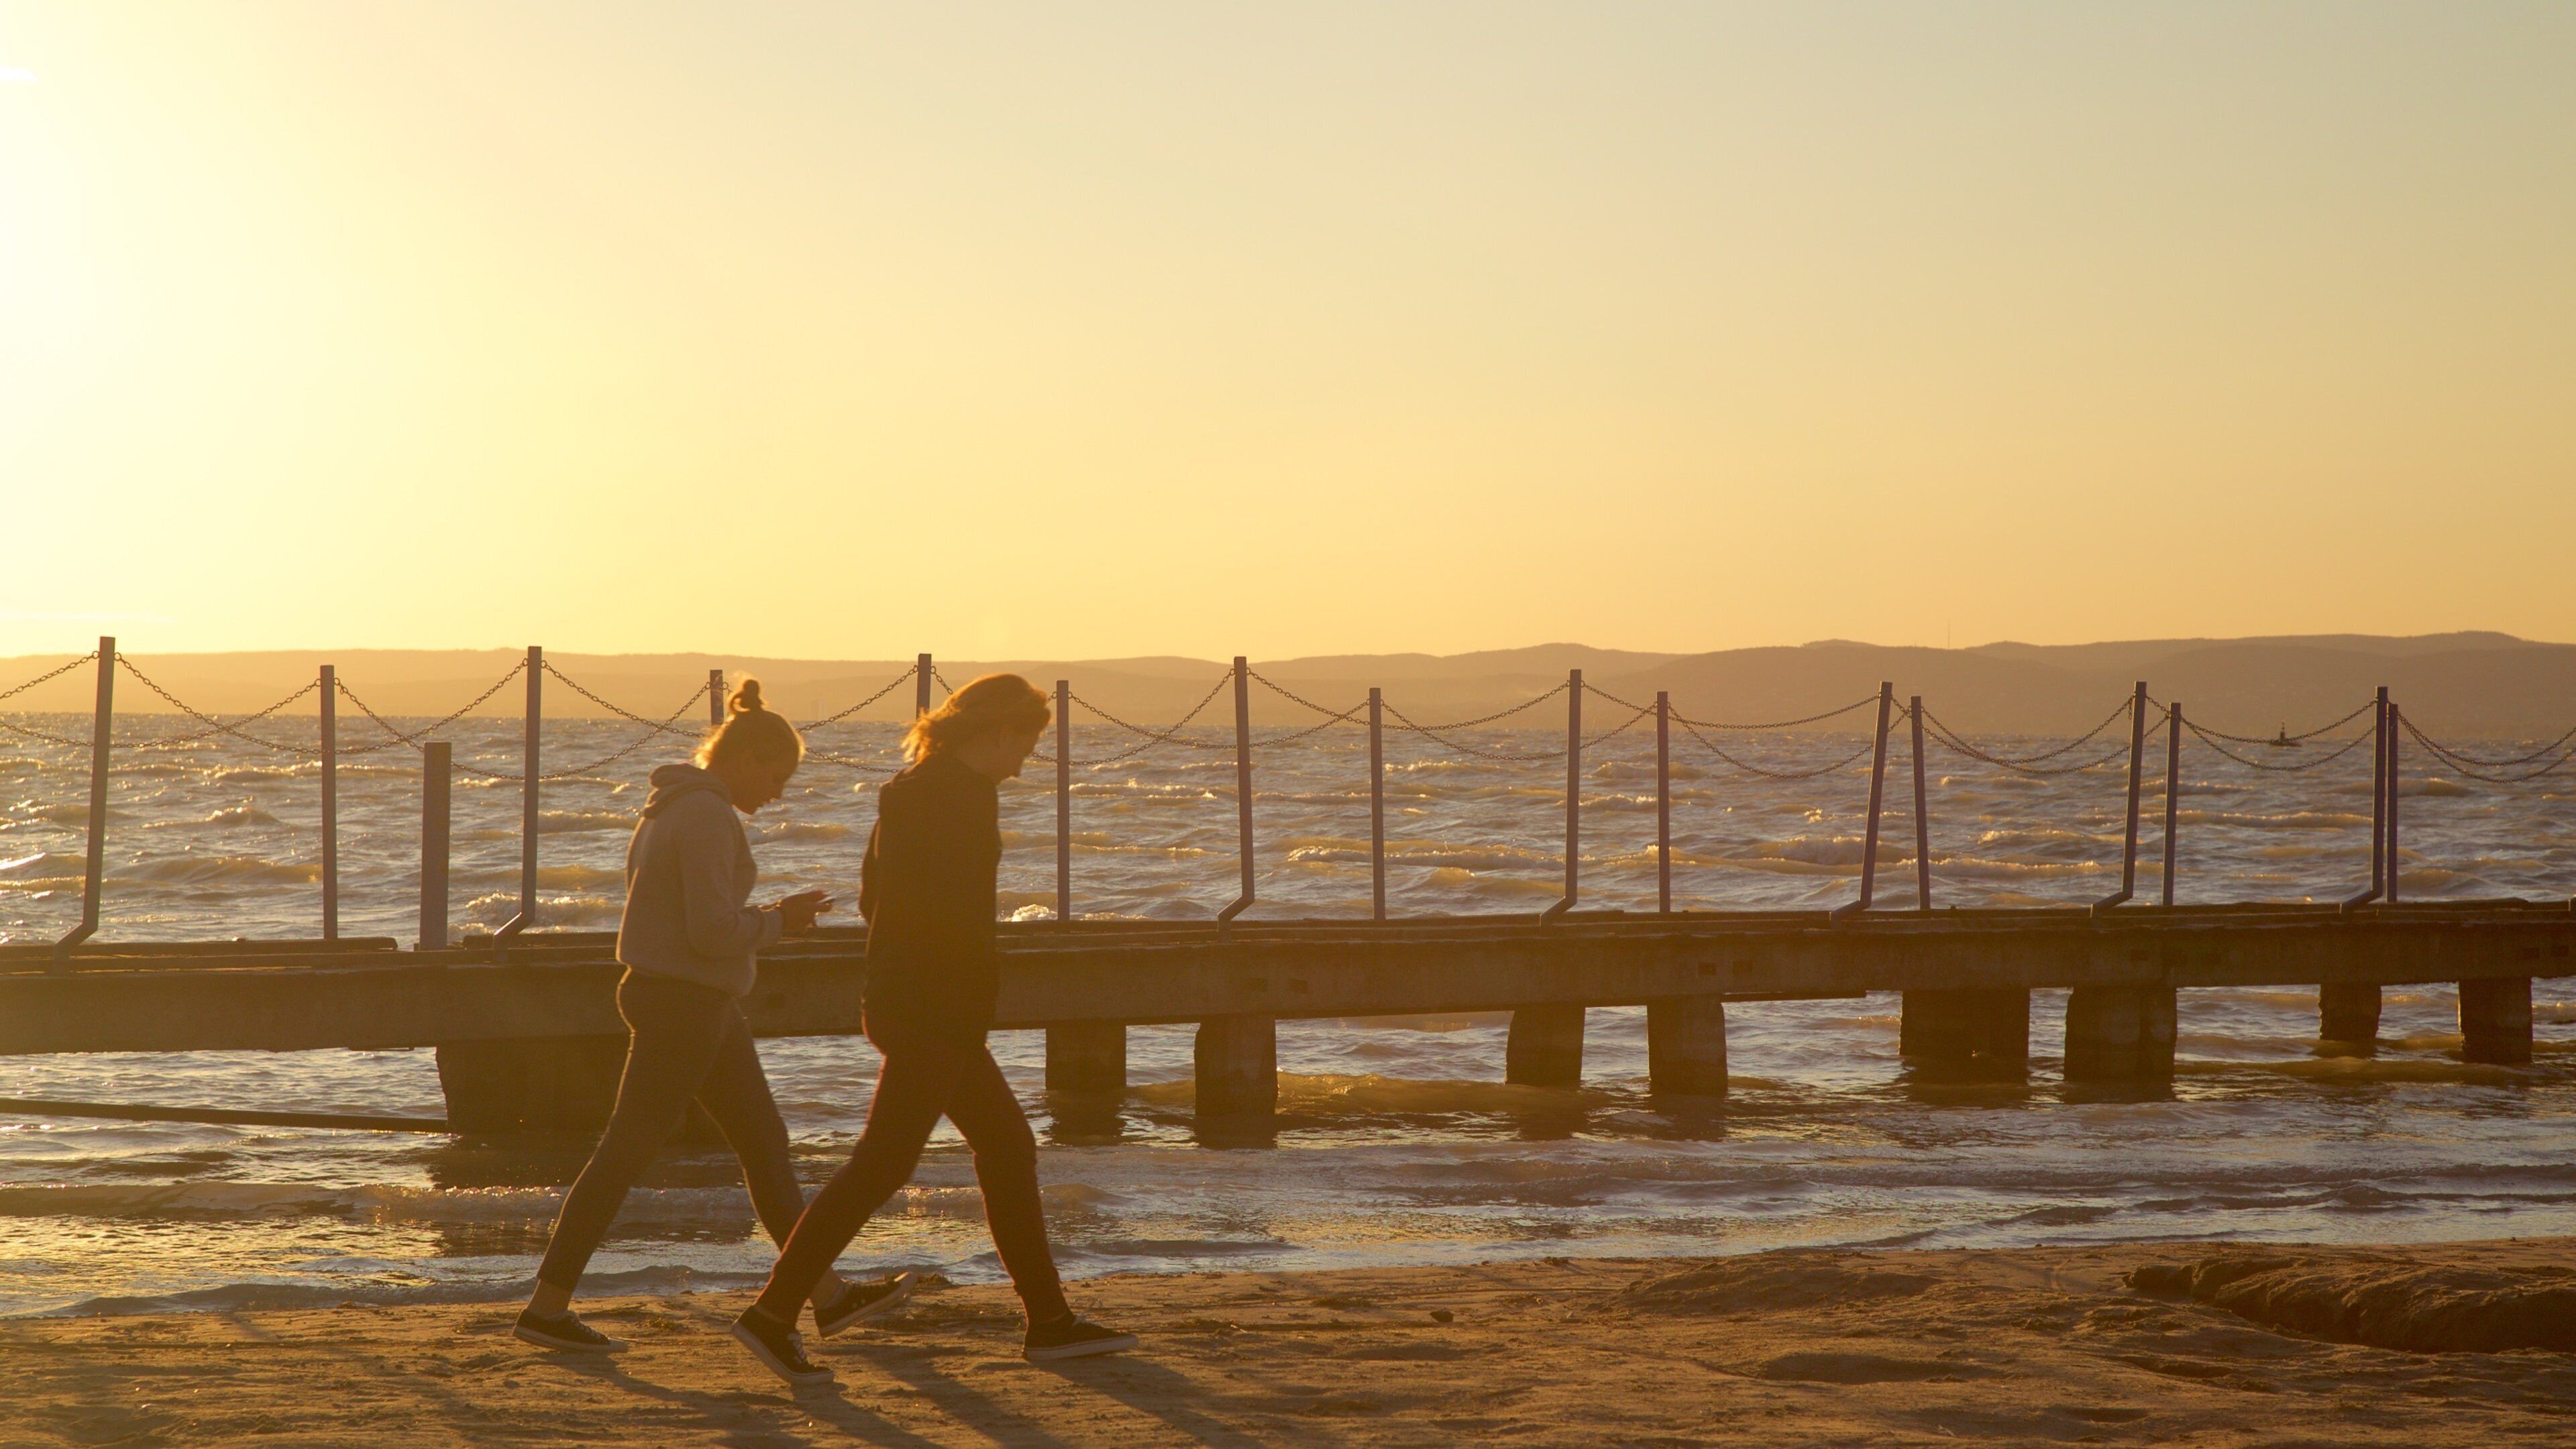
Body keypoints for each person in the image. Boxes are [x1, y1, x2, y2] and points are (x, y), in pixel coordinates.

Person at [729, 674, 1134, 1387]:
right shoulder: (948, 797)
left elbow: (873, 896)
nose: (1026, 759)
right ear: (999, 732)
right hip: (932, 1009)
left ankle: (1049, 1323)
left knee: (1004, 1146)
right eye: (1028, 742)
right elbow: (939, 916)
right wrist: (953, 1001)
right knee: (882, 1167)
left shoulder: (920, 789)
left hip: (919, 1004)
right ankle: (770, 1314)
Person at [515, 678, 913, 1354]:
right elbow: (710, 930)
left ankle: (827, 1295)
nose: (777, 793)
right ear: (746, 758)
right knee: (625, 1153)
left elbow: (690, 921)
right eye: (776, 776)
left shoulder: (669, 808)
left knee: (765, 1146)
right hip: (685, 1000)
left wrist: (768, 922)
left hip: (694, 998)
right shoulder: (706, 814)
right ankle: (547, 1307)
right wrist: (778, 921)